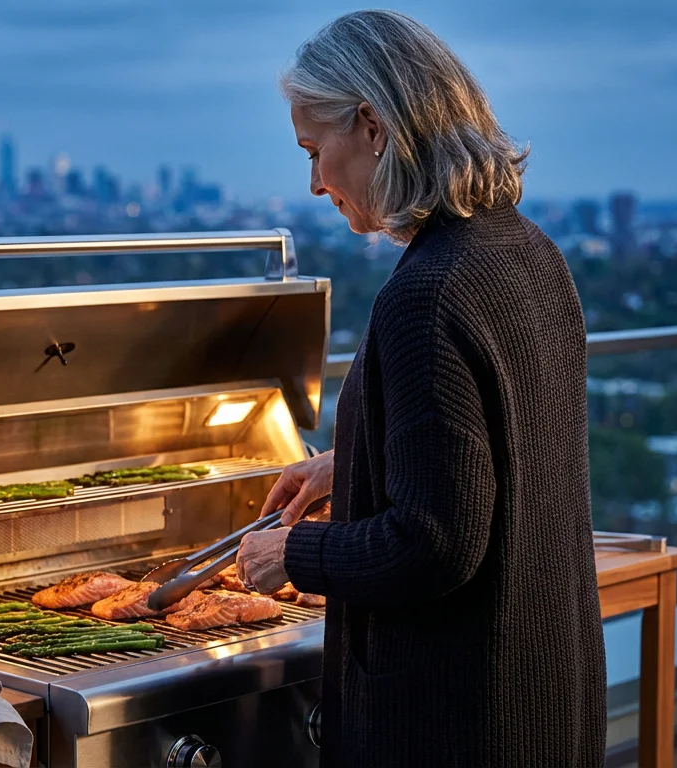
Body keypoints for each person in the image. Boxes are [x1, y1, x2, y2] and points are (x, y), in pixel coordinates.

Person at [235, 10, 606, 767]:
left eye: (314, 151)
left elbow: (434, 545)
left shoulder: (427, 294)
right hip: (545, 686)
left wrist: (294, 555)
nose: (313, 184)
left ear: (372, 125)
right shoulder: (527, 252)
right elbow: (510, 443)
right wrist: (362, 459)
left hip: (455, 718)